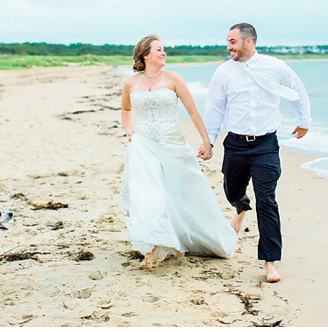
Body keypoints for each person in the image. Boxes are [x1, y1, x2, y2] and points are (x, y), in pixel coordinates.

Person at [203, 23, 311, 283]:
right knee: (232, 189)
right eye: (228, 42)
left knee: (267, 201)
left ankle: (270, 263)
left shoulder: (275, 66)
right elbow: (215, 108)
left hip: (266, 145)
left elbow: (298, 91)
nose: (228, 47)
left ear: (248, 41)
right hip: (236, 144)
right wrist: (208, 141)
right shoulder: (223, 72)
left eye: (232, 42)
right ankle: (240, 209)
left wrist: (304, 120)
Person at [118, 34, 238, 270]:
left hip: (172, 143)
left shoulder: (173, 79)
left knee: (179, 193)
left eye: (164, 50)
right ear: (146, 55)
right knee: (151, 195)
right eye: (159, 50)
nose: (164, 53)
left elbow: (193, 112)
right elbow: (125, 108)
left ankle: (178, 240)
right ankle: (152, 250)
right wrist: (129, 130)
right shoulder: (131, 83)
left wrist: (206, 141)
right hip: (143, 145)